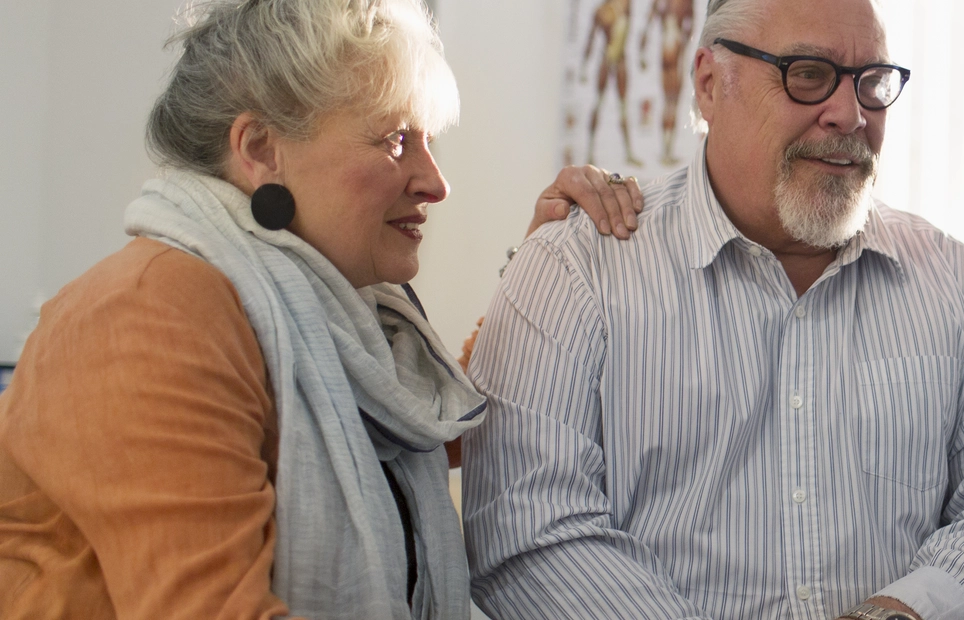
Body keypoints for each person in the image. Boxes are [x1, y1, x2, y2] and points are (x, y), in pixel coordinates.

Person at [0, 0, 635, 616]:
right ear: (259, 150)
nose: (435, 182)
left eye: (429, 141)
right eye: (394, 140)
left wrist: (540, 259)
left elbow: (437, 424)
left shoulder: (337, 320)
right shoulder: (152, 313)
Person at [459, 0, 964, 617]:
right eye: (808, 75)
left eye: (872, 83)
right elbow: (527, 529)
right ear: (709, 84)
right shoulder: (576, 269)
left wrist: (900, 613)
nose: (848, 113)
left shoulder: (959, 286)